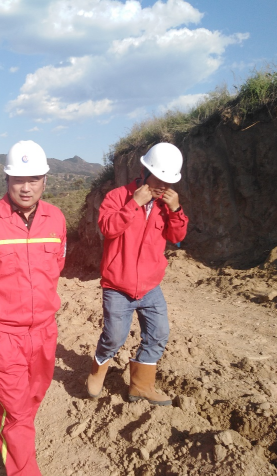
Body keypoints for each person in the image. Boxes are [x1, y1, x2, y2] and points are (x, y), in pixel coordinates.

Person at [0, 140, 66, 476]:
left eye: (34, 179)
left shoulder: (56, 218)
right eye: (19, 179)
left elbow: (57, 266)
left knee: (32, 398)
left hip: (45, 331)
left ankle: (15, 439)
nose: (26, 187)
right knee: (16, 410)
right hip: (4, 334)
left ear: (45, 180)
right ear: (6, 180)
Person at [86, 142, 189, 406]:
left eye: (168, 181)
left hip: (150, 286)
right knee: (114, 337)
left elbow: (177, 237)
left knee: (158, 334)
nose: (163, 186)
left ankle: (141, 387)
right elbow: (107, 228)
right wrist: (134, 204)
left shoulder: (166, 205)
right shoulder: (118, 196)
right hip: (117, 286)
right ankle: (98, 369)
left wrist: (176, 210)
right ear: (145, 172)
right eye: (158, 179)